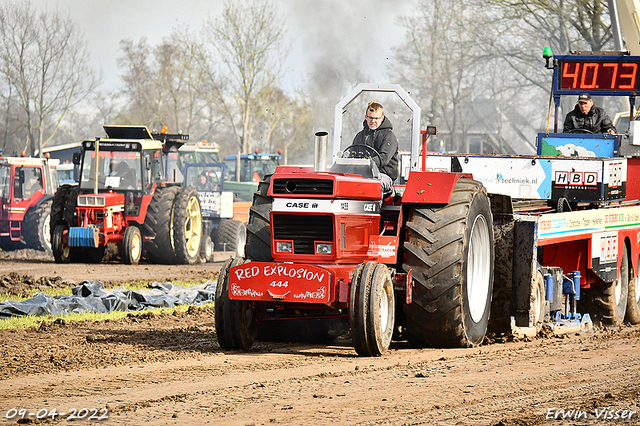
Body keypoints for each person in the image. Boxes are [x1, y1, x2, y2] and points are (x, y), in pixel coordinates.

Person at [351, 101, 399, 192]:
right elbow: (351, 154)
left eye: (376, 118)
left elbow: (383, 158)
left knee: (372, 184)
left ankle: (374, 206)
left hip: (383, 175)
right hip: (361, 174)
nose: (373, 121)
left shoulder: (389, 136)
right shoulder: (360, 136)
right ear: (366, 117)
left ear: (382, 118)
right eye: (371, 118)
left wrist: (366, 163)